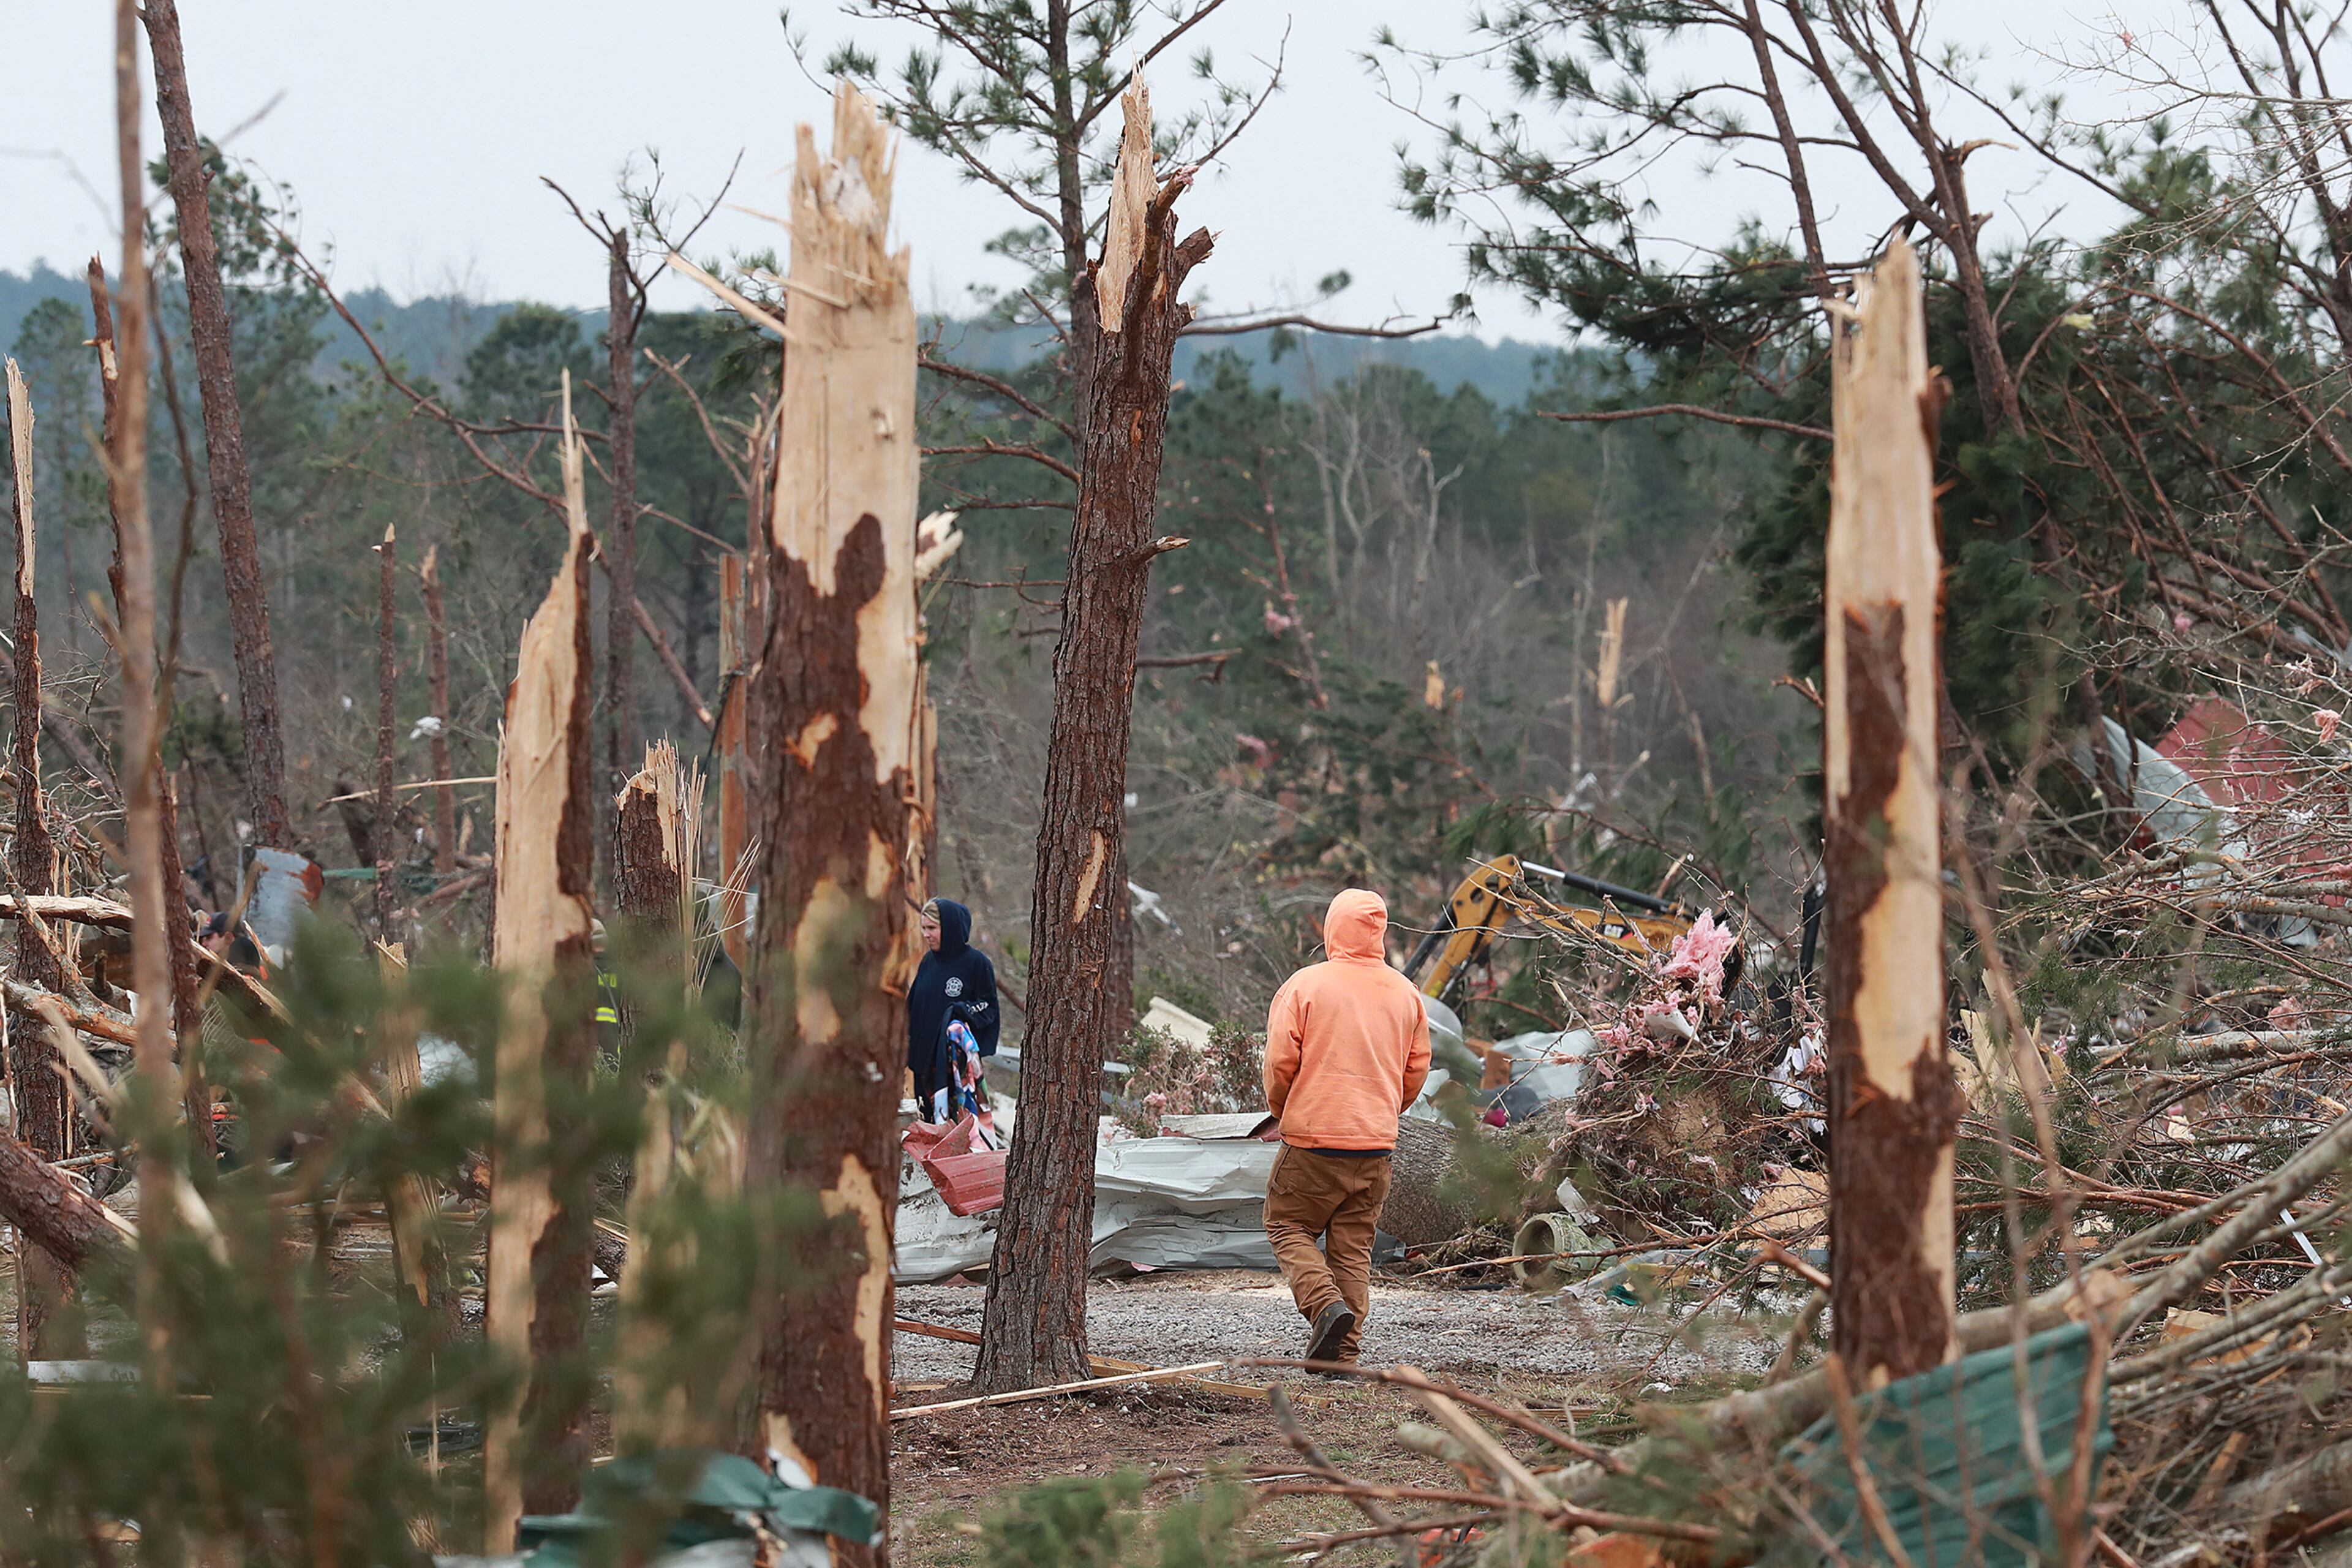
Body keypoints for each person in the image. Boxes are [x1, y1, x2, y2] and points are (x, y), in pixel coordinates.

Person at [1262, 888, 1431, 1365]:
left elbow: (1279, 1062)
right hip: (1376, 1146)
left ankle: (1323, 1306)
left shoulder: (1306, 985)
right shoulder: (1406, 993)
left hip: (1313, 1141)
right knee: (1353, 1251)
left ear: (1332, 928)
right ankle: (1343, 1356)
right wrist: (1382, 1111)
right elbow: (1416, 1069)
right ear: (1380, 933)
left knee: (1286, 1223)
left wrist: (1283, 1108)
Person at [908, 899, 1001, 1140]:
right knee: (929, 1128)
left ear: (949, 927)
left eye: (932, 929)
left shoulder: (976, 964)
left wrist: (961, 1012)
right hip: (923, 1064)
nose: (926, 935)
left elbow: (988, 1006)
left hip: (955, 1068)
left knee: (958, 1130)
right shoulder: (928, 963)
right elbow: (913, 1007)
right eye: (924, 928)